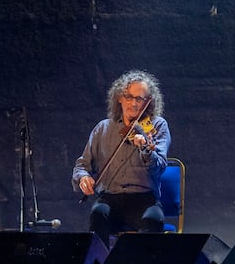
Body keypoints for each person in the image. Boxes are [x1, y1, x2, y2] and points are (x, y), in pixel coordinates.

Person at [72, 69, 170, 246]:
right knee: (98, 214)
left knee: (153, 220)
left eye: (140, 98)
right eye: (129, 97)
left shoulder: (156, 126)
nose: (133, 103)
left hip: (145, 198)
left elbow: (160, 166)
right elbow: (82, 165)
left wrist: (146, 149)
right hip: (110, 198)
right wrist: (83, 177)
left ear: (149, 102)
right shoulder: (103, 128)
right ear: (119, 98)